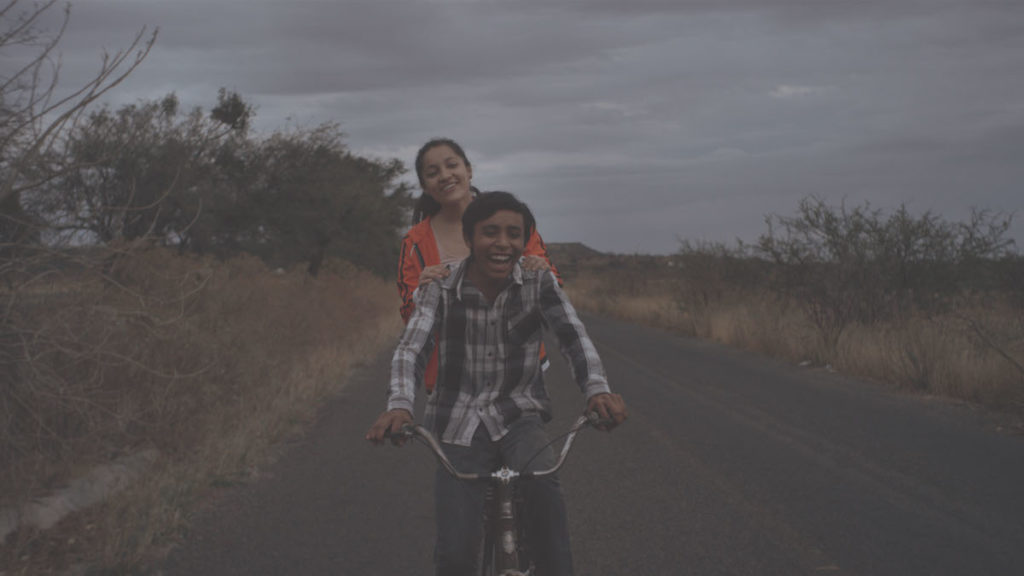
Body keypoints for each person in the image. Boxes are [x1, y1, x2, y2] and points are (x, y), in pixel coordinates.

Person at [368, 191, 627, 576]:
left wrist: (597, 390)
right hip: (456, 421)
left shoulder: (538, 281)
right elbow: (413, 348)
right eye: (490, 232)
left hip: (520, 414)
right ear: (470, 238)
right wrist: (400, 405)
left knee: (543, 490)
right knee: (455, 553)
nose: (503, 243)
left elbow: (573, 337)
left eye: (514, 234)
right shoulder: (439, 286)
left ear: (525, 242)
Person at [397, 138, 559, 393]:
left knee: (525, 432)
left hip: (518, 368)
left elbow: (552, 288)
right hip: (450, 378)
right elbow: (409, 313)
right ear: (425, 186)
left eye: (452, 165)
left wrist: (540, 271)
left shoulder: (511, 216)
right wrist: (421, 290)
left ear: (468, 170)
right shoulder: (415, 242)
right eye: (433, 173)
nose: (445, 176)